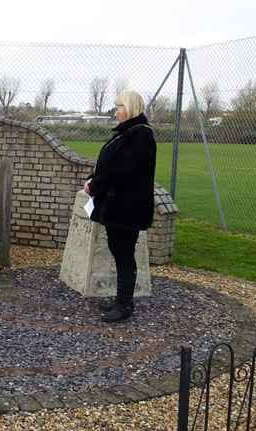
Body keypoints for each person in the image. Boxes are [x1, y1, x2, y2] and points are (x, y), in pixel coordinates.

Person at [83, 89, 156, 323]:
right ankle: (122, 300)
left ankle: (124, 305)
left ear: (131, 108)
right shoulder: (128, 133)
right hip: (118, 205)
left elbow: (121, 171)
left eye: (120, 106)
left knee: (124, 255)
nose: (116, 111)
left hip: (127, 208)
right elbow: (108, 164)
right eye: (116, 106)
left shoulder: (140, 136)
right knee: (120, 252)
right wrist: (93, 180)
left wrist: (94, 186)